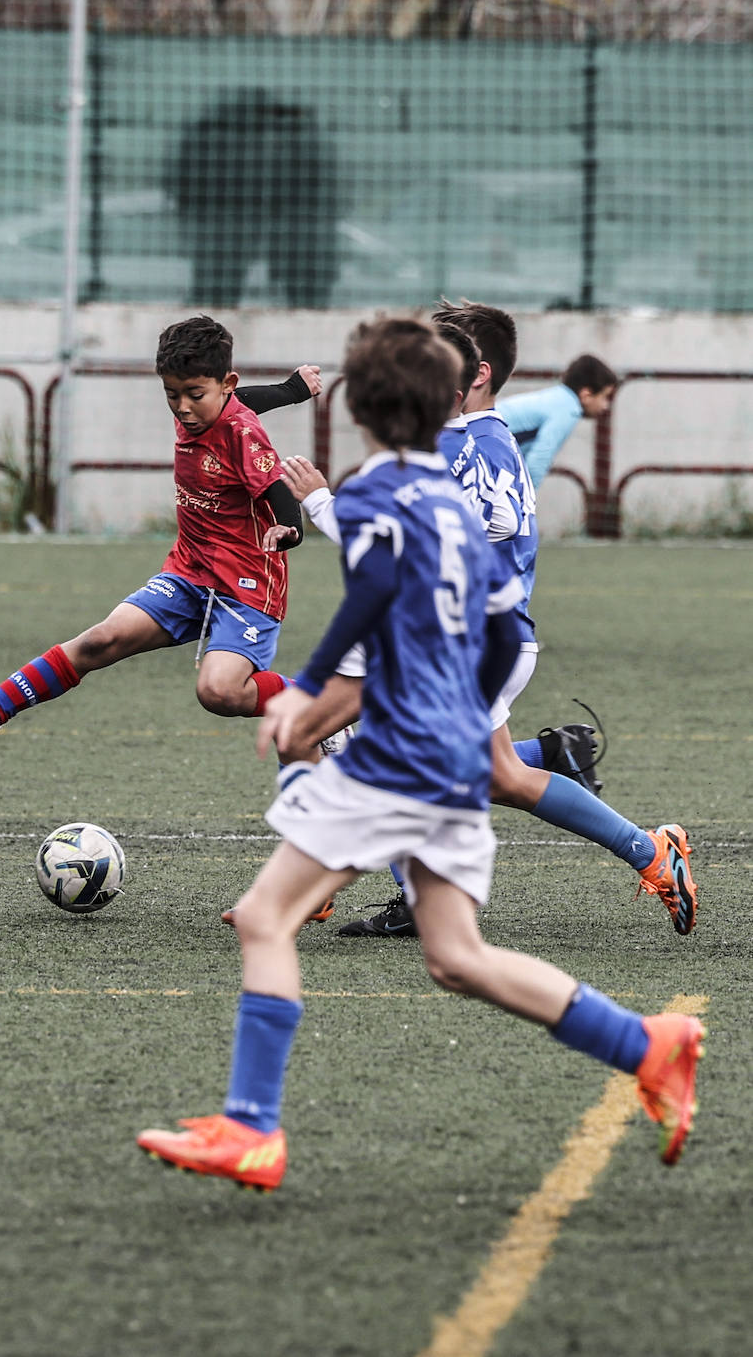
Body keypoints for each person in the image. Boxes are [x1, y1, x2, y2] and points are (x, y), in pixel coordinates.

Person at [136, 316, 705, 1193]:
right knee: (455, 958)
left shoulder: (376, 497)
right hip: (441, 738)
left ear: (362, 412)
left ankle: (252, 1128)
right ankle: (647, 1044)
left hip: (409, 750)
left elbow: (384, 622)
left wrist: (309, 707)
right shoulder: (443, 493)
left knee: (265, 918)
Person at [282, 301, 697, 941]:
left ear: (469, 375)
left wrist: (319, 501)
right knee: (501, 775)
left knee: (331, 740)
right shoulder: (493, 438)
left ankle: (350, 894)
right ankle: (648, 850)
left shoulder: (458, 445)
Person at [0, 317, 316, 748]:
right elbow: (239, 399)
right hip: (190, 571)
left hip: (246, 583)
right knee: (101, 639)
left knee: (220, 692)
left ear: (224, 383)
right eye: (172, 394)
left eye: (194, 395)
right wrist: (291, 391)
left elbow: (276, 487)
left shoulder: (243, 435)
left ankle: (323, 707)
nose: (183, 407)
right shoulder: (203, 410)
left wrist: (289, 529)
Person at [166, 88, 341, 309]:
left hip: (246, 230)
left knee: (217, 292)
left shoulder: (211, 138)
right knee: (218, 289)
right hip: (231, 230)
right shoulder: (299, 139)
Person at [501, 354, 618, 490]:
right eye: (605, 397)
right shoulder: (568, 410)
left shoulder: (559, 398)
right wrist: (526, 504)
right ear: (586, 395)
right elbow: (537, 461)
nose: (606, 405)